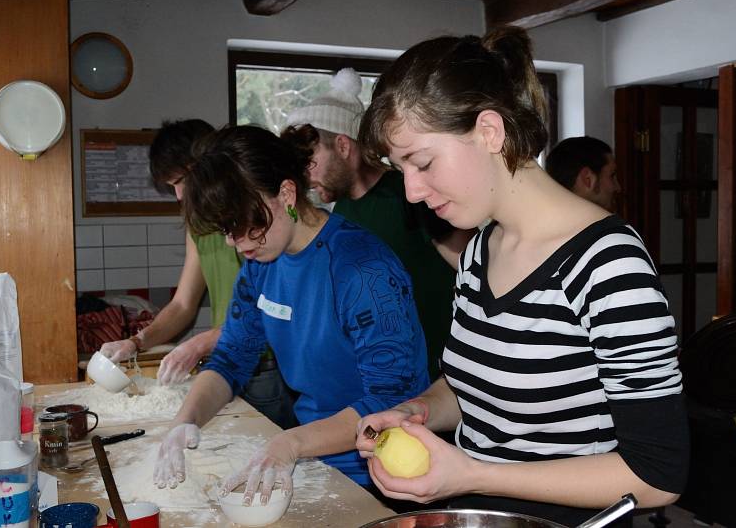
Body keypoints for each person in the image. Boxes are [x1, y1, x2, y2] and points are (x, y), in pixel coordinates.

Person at [354, 27, 688, 527]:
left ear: (490, 131)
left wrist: (472, 475)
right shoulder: (479, 252)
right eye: (402, 169)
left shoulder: (608, 264)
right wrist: (419, 409)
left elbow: (658, 476)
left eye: (421, 163)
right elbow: (474, 390)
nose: (413, 192)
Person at [152, 125, 430, 504]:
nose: (234, 242)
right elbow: (231, 359)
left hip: (384, 474)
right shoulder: (260, 264)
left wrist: (291, 442)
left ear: (286, 193)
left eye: (243, 224)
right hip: (316, 461)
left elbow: (393, 400)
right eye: (225, 230)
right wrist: (184, 422)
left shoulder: (363, 269)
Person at [97, 119, 297, 429]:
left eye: (181, 181)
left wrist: (200, 343)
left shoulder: (263, 227)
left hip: (265, 366)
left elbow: (270, 311)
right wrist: (136, 342)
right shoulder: (199, 226)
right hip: (225, 362)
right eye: (171, 186)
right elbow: (182, 305)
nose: (178, 195)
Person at [281, 68, 475, 381]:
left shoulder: (411, 194)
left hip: (443, 379)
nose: (306, 178)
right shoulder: (340, 212)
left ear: (344, 146)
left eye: (311, 163)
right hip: (383, 380)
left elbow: (477, 271)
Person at [545, 136, 622, 212]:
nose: (618, 188)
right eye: (612, 176)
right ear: (587, 178)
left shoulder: (542, 221)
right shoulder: (610, 224)